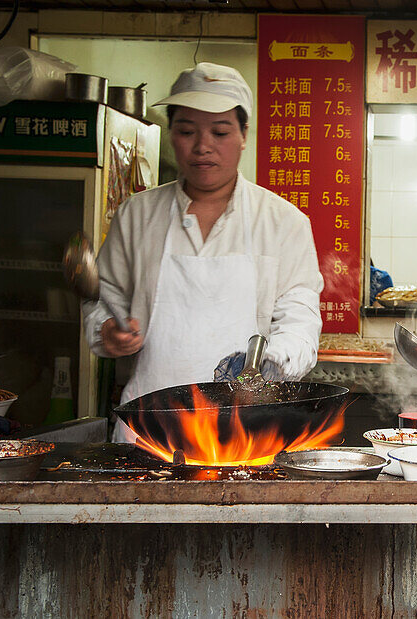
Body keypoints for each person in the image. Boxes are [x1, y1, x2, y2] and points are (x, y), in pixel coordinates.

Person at [83, 62, 323, 442]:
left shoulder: (283, 222)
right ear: (172, 135)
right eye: (186, 131)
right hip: (148, 429)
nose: (202, 146)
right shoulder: (137, 214)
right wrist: (106, 332)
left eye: (220, 132)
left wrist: (268, 362)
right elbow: (101, 301)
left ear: (245, 134)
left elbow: (301, 320)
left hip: (244, 433)